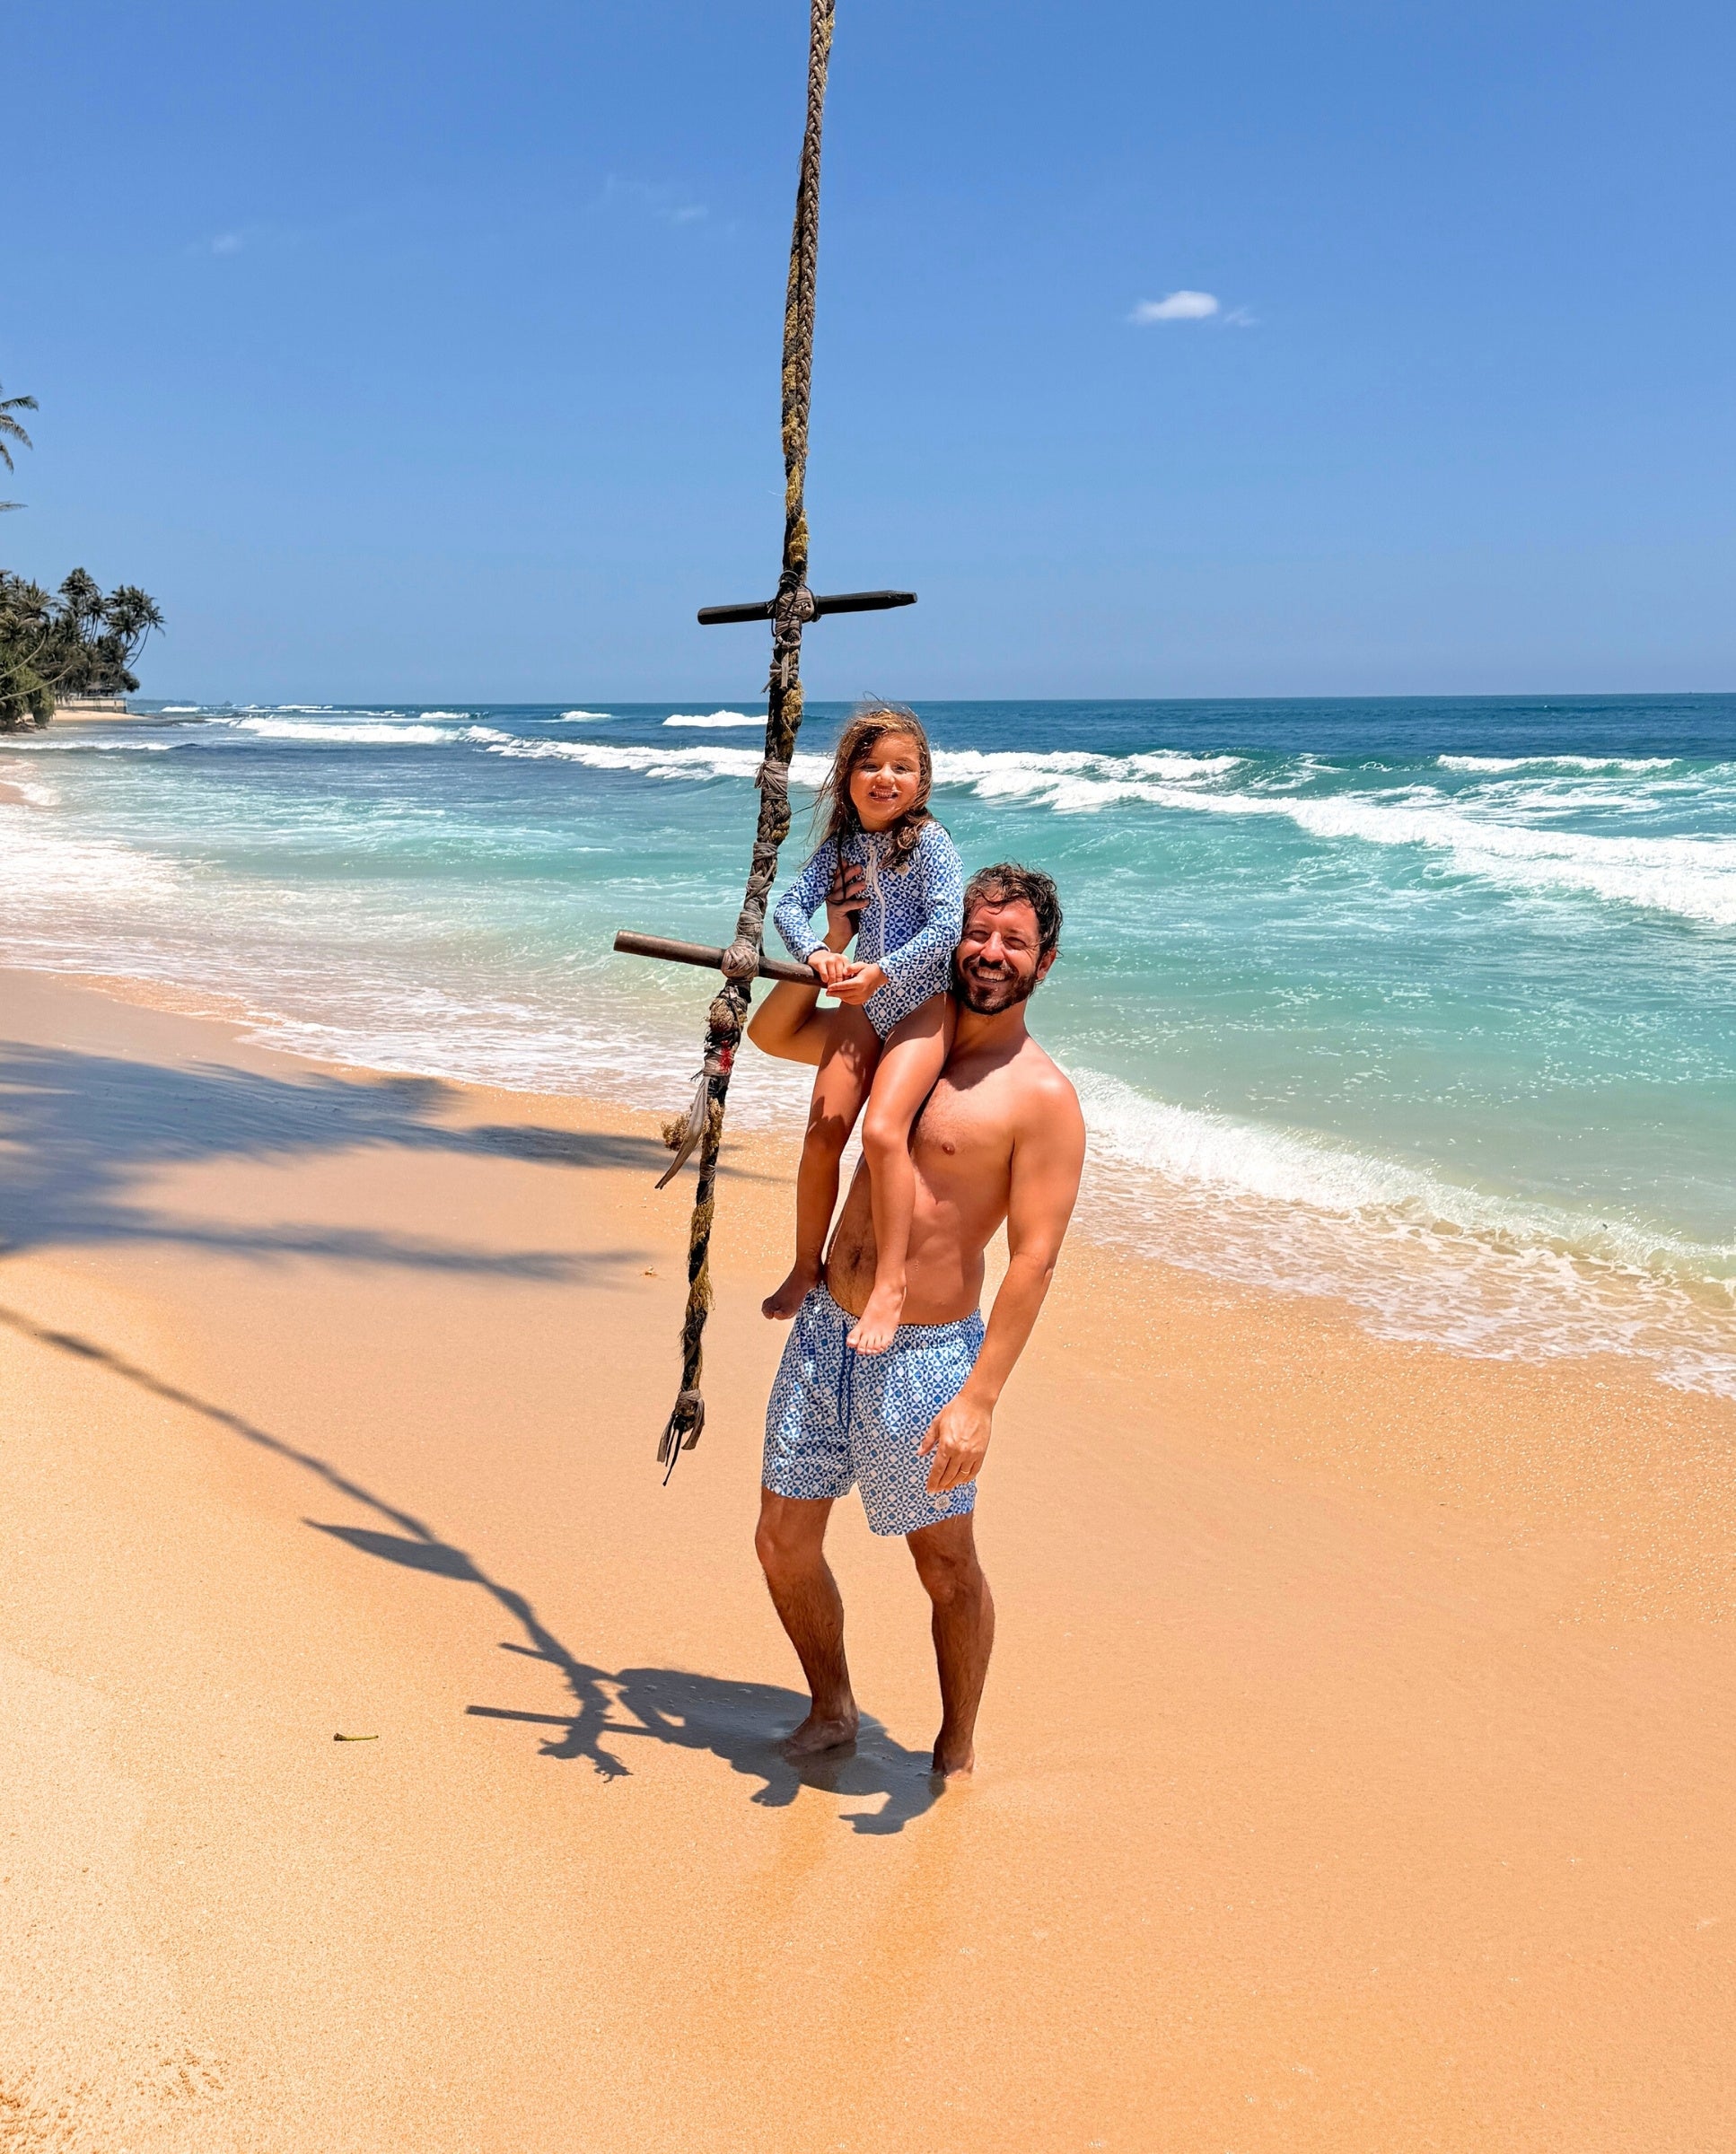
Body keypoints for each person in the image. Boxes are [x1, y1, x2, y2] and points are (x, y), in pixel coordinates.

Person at [744, 862, 1086, 1779]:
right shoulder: (899, 1031)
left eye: (1013, 942)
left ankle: (955, 1747)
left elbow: (1033, 1259)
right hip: (825, 1330)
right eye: (978, 932)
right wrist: (834, 951)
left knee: (943, 1568)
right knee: (781, 1543)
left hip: (925, 1356)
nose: (988, 953)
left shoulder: (1038, 1098)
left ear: (1042, 964)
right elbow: (774, 1032)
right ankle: (831, 1708)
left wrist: (980, 1400)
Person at [763, 705, 965, 1353]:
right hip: (860, 1007)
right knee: (823, 1135)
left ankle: (890, 1286)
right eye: (870, 764)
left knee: (881, 1132)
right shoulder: (842, 849)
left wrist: (881, 971)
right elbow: (788, 906)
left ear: (922, 781)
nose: (886, 778)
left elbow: (946, 930)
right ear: (847, 776)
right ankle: (804, 1264)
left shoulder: (931, 844)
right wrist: (820, 953)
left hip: (919, 1004)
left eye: (902, 768)